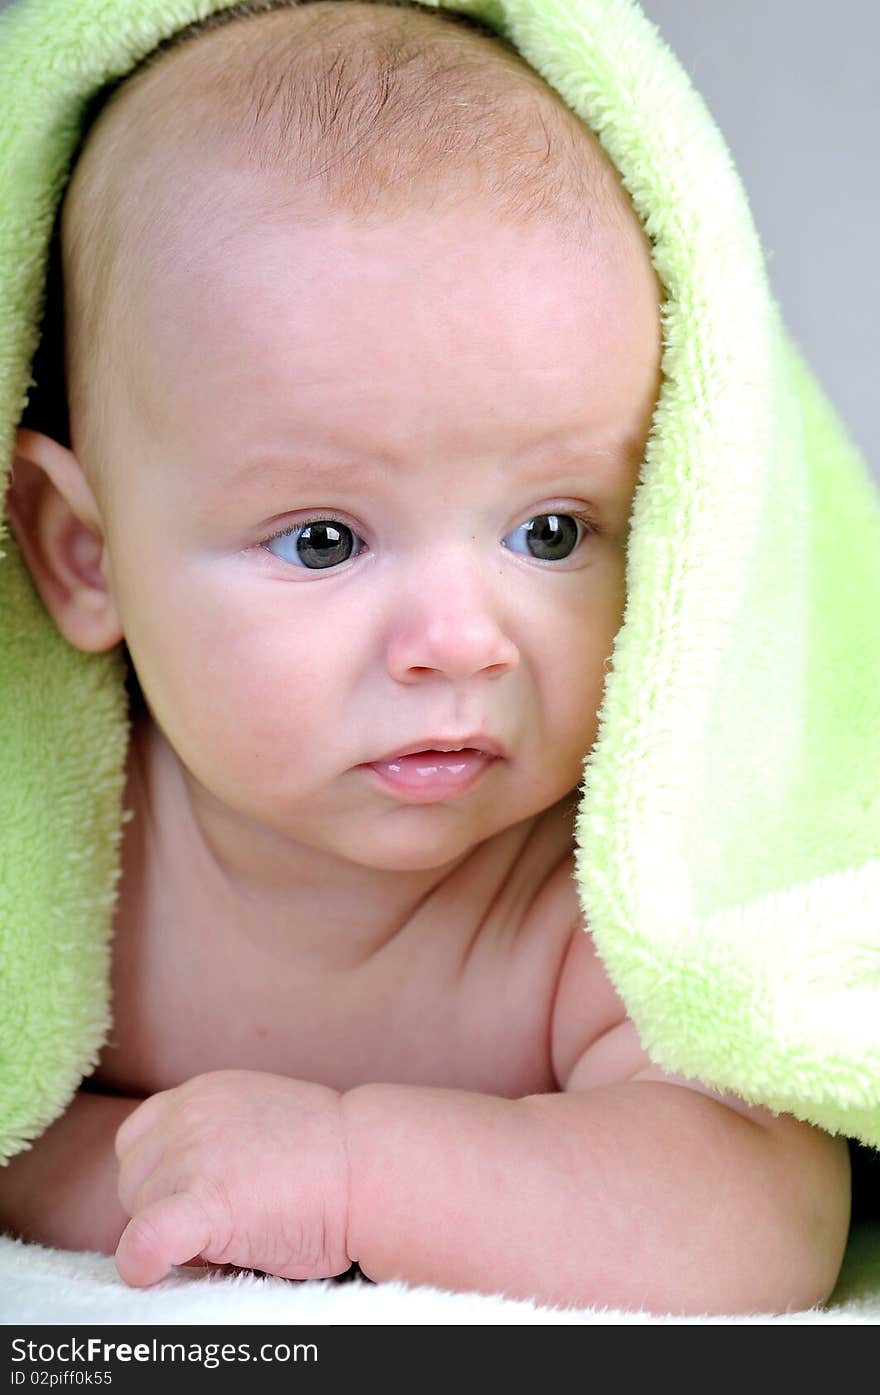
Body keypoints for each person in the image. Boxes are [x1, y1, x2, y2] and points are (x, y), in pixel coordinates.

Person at [0, 0, 850, 1313]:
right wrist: (163, 1182)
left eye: (553, 529)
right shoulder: (51, 868)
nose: (461, 640)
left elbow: (762, 1220)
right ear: (86, 555)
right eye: (328, 540)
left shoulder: (592, 906)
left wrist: (346, 1177)